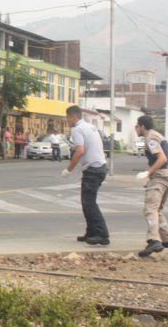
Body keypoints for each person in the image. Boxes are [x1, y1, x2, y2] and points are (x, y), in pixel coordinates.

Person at [61, 105, 110, 245]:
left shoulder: (77, 129)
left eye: (67, 118)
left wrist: (68, 169)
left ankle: (102, 234)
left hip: (93, 170)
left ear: (73, 117)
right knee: (87, 202)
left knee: (89, 203)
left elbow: (80, 151)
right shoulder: (90, 126)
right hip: (100, 167)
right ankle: (91, 232)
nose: (67, 121)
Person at [135, 115, 168, 257]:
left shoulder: (150, 138)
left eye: (137, 126)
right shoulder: (156, 135)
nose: (136, 129)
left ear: (142, 126)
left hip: (161, 176)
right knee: (157, 209)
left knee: (150, 208)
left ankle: (154, 240)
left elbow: (162, 158)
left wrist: (147, 173)